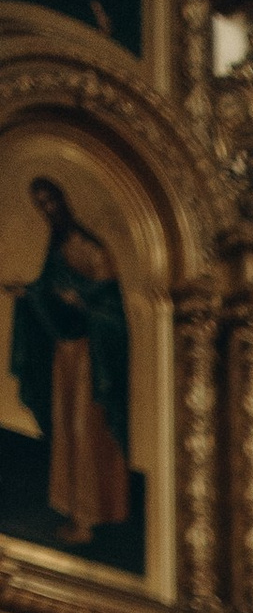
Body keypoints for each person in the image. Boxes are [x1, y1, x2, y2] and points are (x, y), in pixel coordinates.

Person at [8, 175, 129, 551]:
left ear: (63, 200)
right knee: (66, 427)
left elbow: (111, 309)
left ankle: (90, 517)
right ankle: (71, 507)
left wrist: (83, 303)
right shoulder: (57, 246)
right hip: (68, 352)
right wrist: (28, 293)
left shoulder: (90, 248)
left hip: (92, 357)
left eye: (50, 201)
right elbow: (51, 290)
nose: (47, 210)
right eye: (40, 204)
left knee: (85, 429)